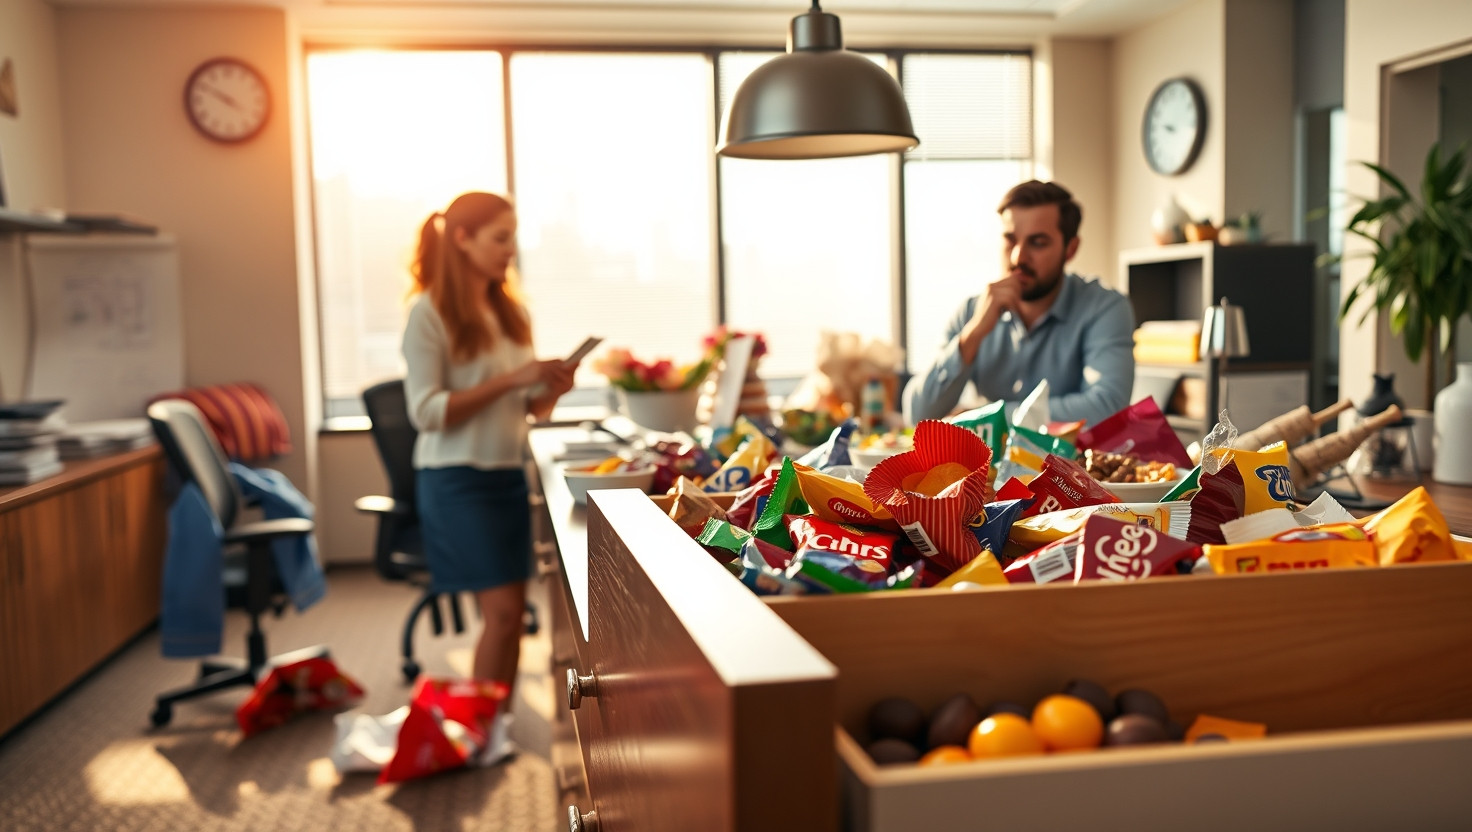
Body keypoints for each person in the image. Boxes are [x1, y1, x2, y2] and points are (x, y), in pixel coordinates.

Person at [402, 192, 577, 692]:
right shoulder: (429, 312)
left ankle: (492, 725)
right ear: (462, 239)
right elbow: (426, 412)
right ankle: (481, 729)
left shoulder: (511, 313)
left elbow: (525, 410)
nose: (510, 251)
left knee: (511, 615)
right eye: (500, 238)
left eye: (512, 239)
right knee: (502, 615)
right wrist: (508, 380)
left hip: (505, 474)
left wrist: (549, 393)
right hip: (455, 480)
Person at [903, 180, 1135, 428]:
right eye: (1010, 239)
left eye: (1037, 243)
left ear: (1070, 249)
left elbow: (1106, 407)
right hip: (985, 466)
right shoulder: (972, 312)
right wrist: (973, 335)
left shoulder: (1105, 308)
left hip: (1069, 466)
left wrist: (985, 416)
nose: (1018, 257)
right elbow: (918, 414)